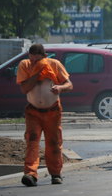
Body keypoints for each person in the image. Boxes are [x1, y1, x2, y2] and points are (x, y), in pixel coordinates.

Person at [15, 44, 73, 186]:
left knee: (54, 142)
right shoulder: (25, 65)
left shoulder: (54, 64)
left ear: (44, 56)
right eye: (32, 57)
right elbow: (24, 88)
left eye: (37, 58)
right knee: (32, 141)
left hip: (53, 111)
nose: (34, 60)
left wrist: (60, 87)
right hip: (33, 111)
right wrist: (37, 72)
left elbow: (69, 84)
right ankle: (30, 174)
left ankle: (55, 174)